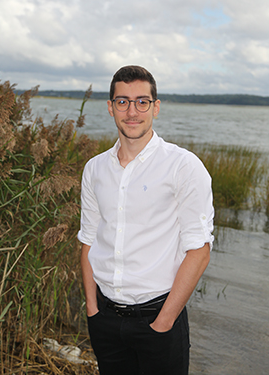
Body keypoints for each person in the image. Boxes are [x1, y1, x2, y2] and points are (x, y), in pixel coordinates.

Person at [78, 65, 214, 375]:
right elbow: (88, 239)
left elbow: (200, 250)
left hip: (159, 318)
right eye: (123, 101)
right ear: (111, 108)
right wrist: (92, 309)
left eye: (142, 101)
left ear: (156, 107)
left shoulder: (183, 166)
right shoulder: (95, 169)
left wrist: (163, 322)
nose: (132, 111)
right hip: (105, 318)